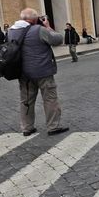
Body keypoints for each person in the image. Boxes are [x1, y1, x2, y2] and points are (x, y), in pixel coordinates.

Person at [7, 8, 68, 137]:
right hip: (42, 71)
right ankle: (53, 126)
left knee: (26, 101)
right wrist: (48, 26)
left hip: (23, 73)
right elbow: (58, 40)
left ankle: (27, 127)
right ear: (35, 19)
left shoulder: (11, 31)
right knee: (50, 99)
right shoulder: (38, 30)